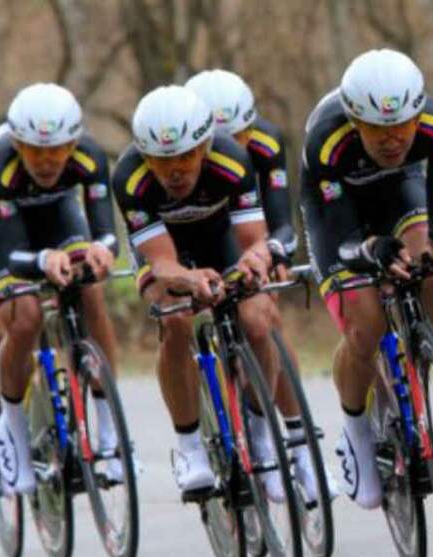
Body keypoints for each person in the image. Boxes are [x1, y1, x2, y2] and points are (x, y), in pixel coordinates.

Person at [300, 48, 433, 510]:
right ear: (354, 121)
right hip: (338, 214)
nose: (393, 138)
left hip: (400, 194)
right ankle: (357, 436)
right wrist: (373, 251)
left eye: (402, 125)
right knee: (365, 321)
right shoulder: (327, 140)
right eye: (379, 130)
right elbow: (345, 237)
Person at [113, 85, 317, 502]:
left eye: (186, 156)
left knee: (258, 319)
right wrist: (188, 280)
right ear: (145, 157)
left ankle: (261, 437)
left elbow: (251, 240)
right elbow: (162, 262)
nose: (175, 171)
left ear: (205, 146)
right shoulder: (129, 177)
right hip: (167, 252)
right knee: (174, 318)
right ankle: (190, 448)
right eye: (162, 161)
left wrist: (253, 264)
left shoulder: (231, 157)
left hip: (220, 239)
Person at [0, 83, 120, 493]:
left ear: (73, 143)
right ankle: (12, 430)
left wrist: (102, 251)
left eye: (57, 151)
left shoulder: (90, 156)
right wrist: (44, 260)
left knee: (90, 290)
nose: (47, 161)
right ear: (17, 143)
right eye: (35, 151)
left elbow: (105, 231)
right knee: (26, 316)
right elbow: (15, 255)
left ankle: (110, 432)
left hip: (56, 212)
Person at [186, 70, 333, 502]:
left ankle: (296, 437)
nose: (236, 146)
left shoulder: (266, 145)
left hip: (245, 230)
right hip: (194, 235)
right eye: (222, 140)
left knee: (264, 316)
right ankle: (211, 417)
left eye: (243, 134)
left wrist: (277, 255)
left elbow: (279, 217)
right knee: (182, 320)